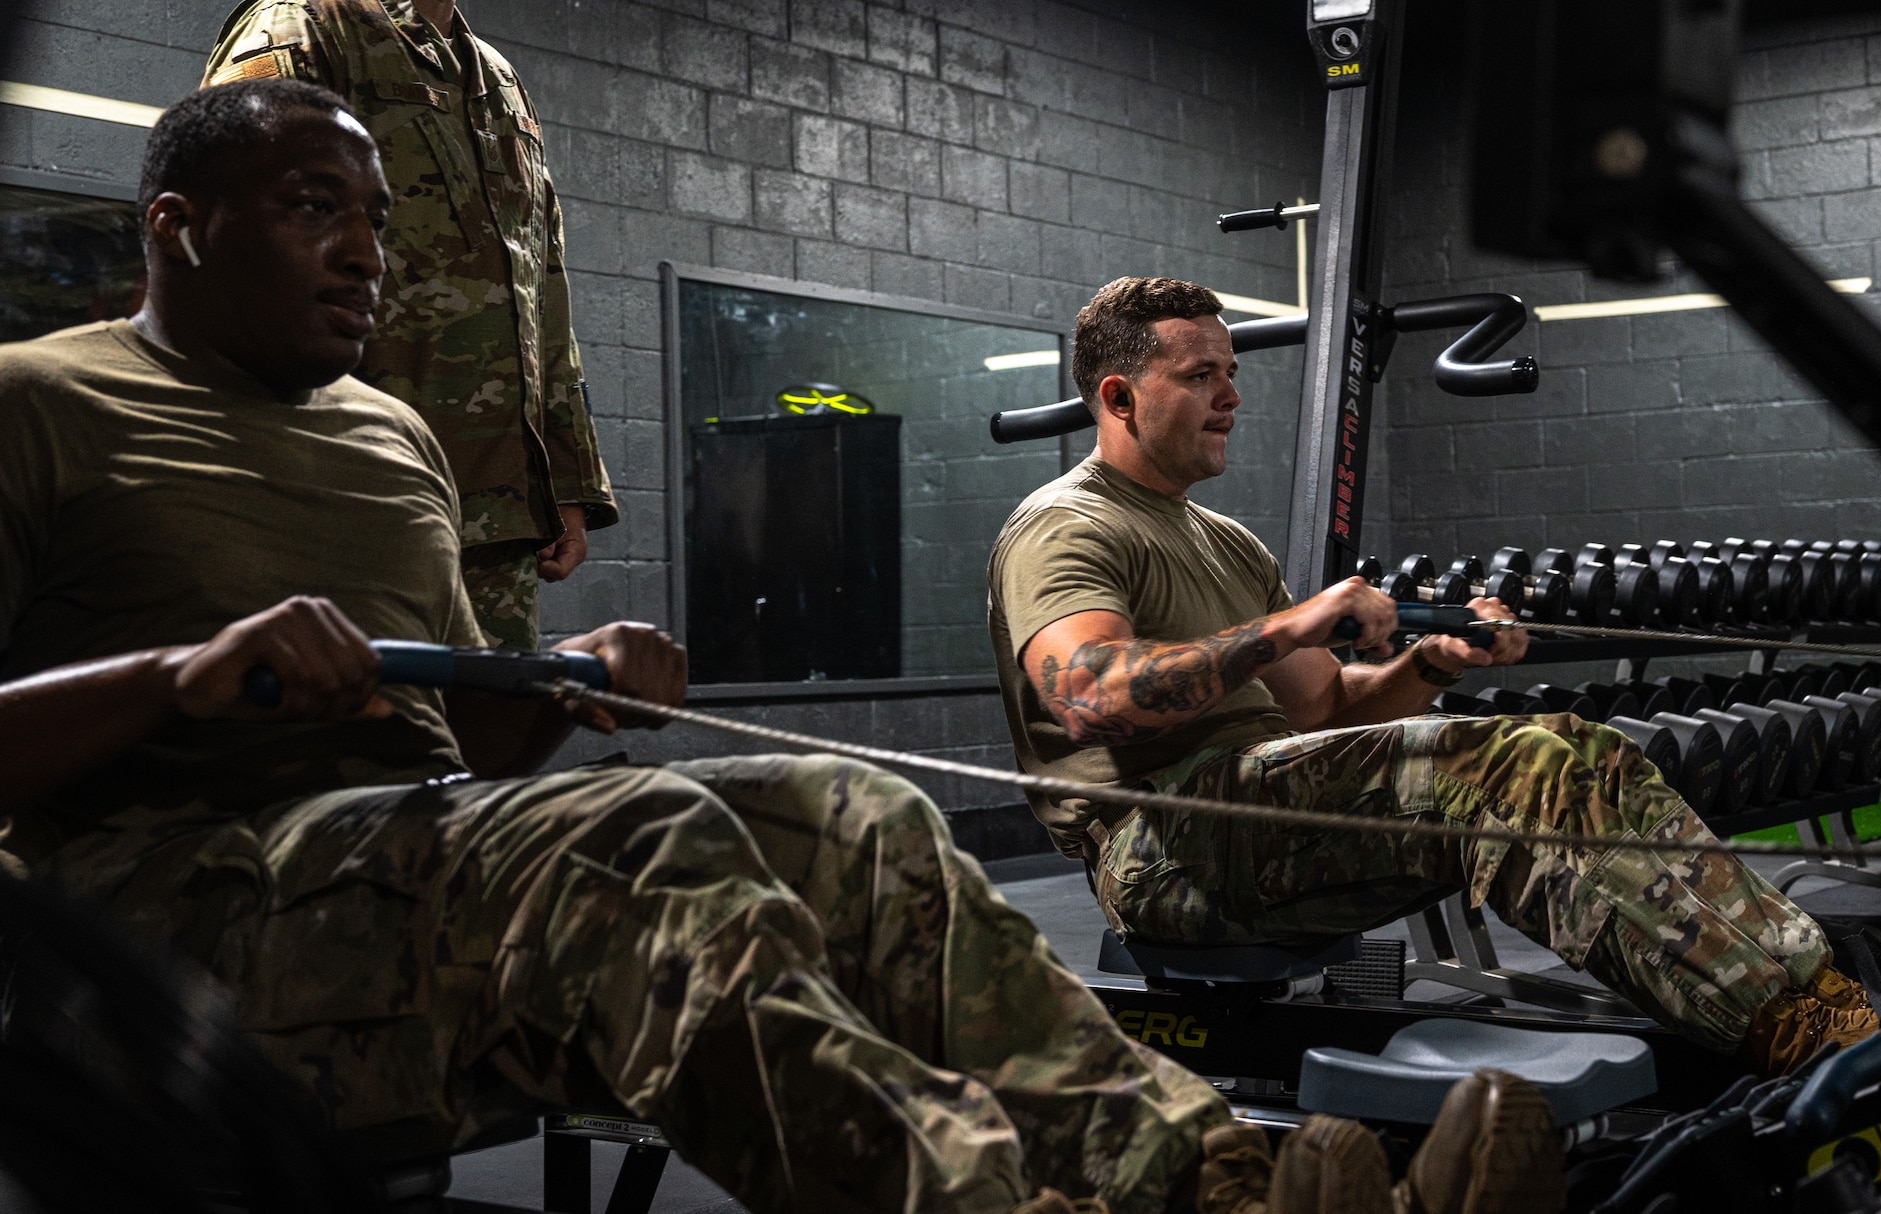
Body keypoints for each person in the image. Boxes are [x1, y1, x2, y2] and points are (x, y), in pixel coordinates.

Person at [0, 83, 1564, 1214]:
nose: (364, 257)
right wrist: (174, 675)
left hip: (404, 865)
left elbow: (445, 754)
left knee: (864, 816)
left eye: (379, 222)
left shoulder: (394, 436)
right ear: (175, 227)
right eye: (311, 213)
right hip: (155, 931)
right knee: (649, 831)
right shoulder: (43, 405)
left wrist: (563, 688)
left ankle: (1215, 1177)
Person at [987, 276, 1881, 1079]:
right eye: (1201, 374)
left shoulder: (1226, 539)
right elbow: (1088, 692)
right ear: (1117, 396)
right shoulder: (1066, 523)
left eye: (1230, 370)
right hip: (1160, 846)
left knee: (1563, 742)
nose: (1231, 395)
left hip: (1264, 808)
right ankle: (1809, 1030)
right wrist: (1290, 619)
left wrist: (1430, 662)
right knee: (1509, 765)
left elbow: (1329, 706)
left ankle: (1816, 1003)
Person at [200, 0, 616, 652]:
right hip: (354, 494)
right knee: (355, 736)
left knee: (482, 736)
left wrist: (566, 479)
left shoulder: (497, 79)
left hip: (495, 507)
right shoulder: (304, 27)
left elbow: (541, 283)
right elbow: (238, 261)